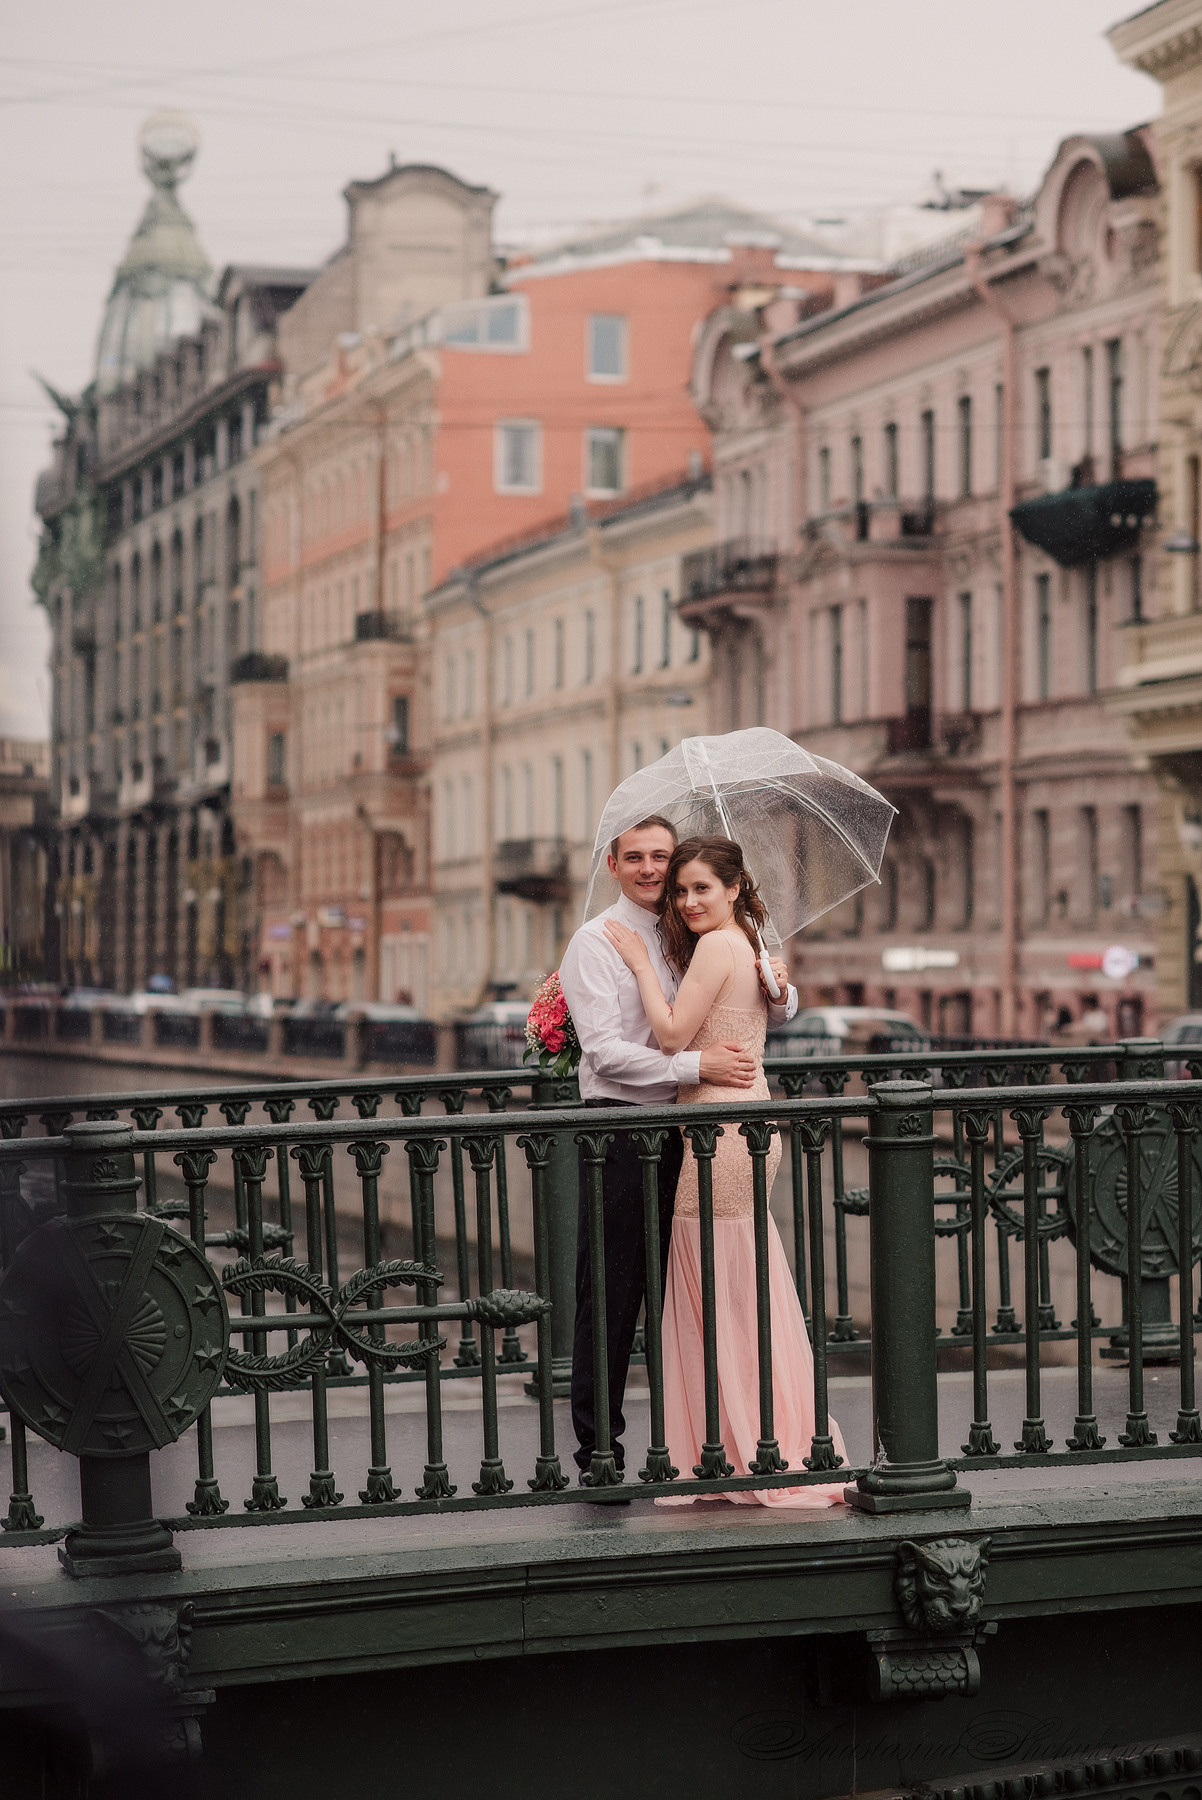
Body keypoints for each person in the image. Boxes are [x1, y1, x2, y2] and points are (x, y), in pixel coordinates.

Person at [603, 834, 847, 1509]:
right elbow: (766, 1008)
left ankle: (734, 1449)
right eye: (680, 892)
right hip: (738, 1122)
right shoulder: (748, 941)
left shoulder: (718, 945)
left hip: (719, 1131)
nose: (686, 901)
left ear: (735, 887)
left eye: (701, 888)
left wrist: (640, 967)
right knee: (736, 1284)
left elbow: (676, 1035)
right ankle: (755, 1441)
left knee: (711, 1282)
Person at [558, 816, 797, 1485]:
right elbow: (604, 1053)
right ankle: (599, 1454)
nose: (649, 869)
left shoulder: (689, 926)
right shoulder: (597, 941)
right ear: (612, 864)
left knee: (695, 1292)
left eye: (659, 856)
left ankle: (704, 1445)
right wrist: (696, 1068)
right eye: (634, 857)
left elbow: (757, 1003)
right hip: (625, 1129)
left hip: (692, 1134)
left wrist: (778, 983)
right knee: (611, 1293)